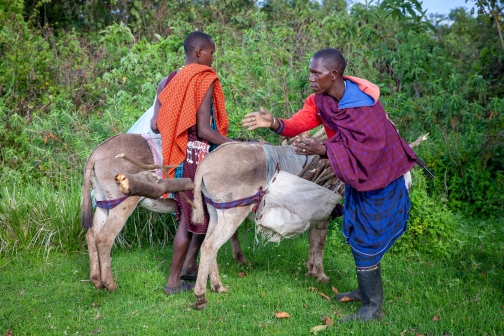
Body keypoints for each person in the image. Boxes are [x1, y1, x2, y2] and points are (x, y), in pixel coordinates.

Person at [242, 48, 417, 322]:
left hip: (381, 177)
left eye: (316, 73)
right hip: (359, 179)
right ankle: (364, 290)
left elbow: (370, 151)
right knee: (359, 229)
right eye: (310, 71)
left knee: (366, 237)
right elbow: (301, 121)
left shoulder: (363, 106)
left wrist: (324, 149)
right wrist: (275, 122)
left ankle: (373, 308)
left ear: (334, 74)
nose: (310, 77)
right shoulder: (322, 100)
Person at [151, 31, 233, 295]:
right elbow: (204, 129)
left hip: (175, 157)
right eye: (211, 53)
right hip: (197, 158)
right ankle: (173, 282)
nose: (212, 59)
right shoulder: (203, 78)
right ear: (199, 53)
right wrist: (234, 145)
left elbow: (155, 124)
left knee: (201, 217)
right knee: (191, 221)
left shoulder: (167, 81)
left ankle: (188, 266)